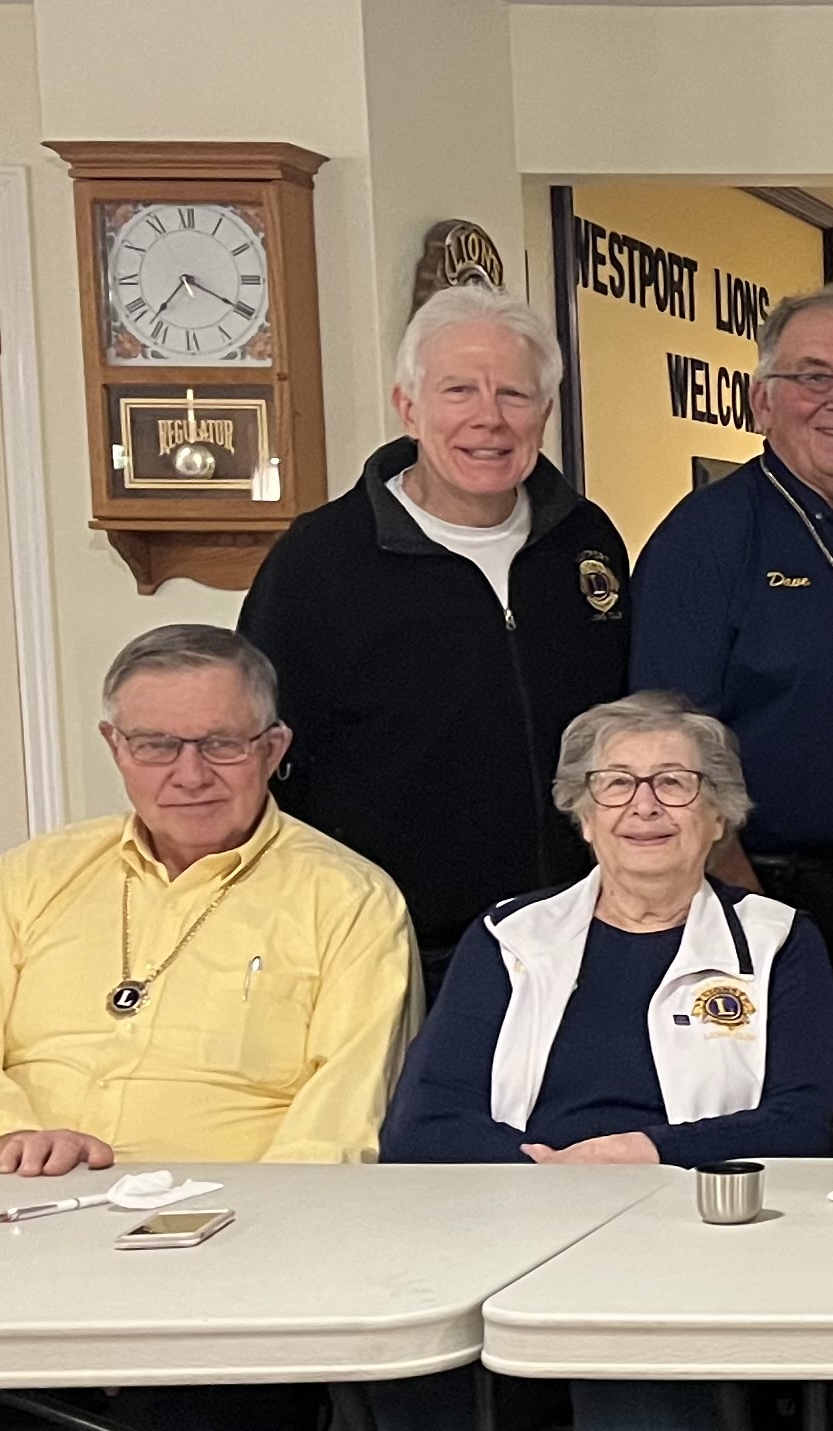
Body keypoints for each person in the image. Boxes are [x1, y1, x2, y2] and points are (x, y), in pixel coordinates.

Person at [0, 625, 411, 1431]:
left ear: (273, 748)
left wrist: (244, 1248)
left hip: (225, 1268)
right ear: (115, 747)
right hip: (9, 1247)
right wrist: (7, 1133)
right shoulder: (26, 880)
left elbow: (341, 1122)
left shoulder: (347, 899)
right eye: (157, 744)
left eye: (221, 743)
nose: (189, 773)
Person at [350, 694, 833, 1431]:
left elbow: (819, 1116)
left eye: (674, 782)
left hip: (691, 1244)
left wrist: (648, 1151)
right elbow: (421, 1125)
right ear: (583, 815)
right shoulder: (509, 936)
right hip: (506, 1240)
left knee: (644, 1423)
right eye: (615, 783)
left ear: (718, 814)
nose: (643, 805)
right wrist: (554, 1178)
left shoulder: (776, 938)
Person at [241, 284, 632, 990]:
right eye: (459, 390)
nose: (489, 418)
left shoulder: (585, 539)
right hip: (396, 950)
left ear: (545, 412)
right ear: (409, 407)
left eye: (514, 394)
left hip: (581, 932)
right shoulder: (319, 561)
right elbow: (259, 754)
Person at [632, 286, 833, 1004]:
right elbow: (669, 748)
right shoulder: (703, 540)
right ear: (762, 402)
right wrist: (749, 913)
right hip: (762, 897)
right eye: (816, 377)